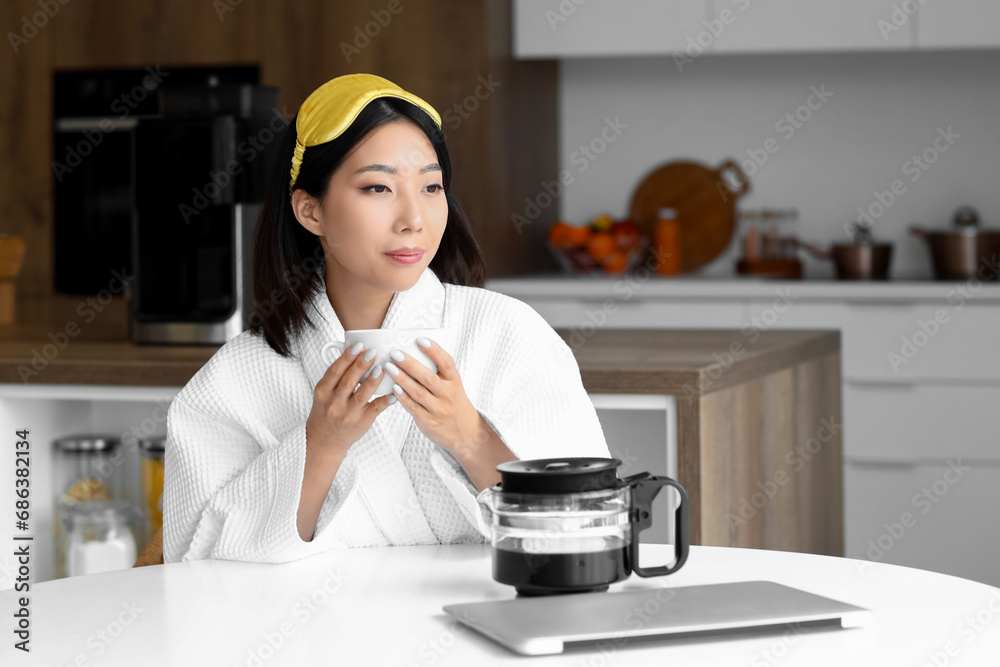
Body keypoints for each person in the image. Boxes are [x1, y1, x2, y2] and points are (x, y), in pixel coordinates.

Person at [162, 73, 611, 564]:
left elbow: (588, 533)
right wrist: (321, 444)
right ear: (310, 211)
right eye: (378, 187)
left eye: (432, 186)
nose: (413, 218)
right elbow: (193, 569)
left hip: (488, 636)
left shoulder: (508, 333)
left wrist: (469, 435)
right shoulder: (234, 379)